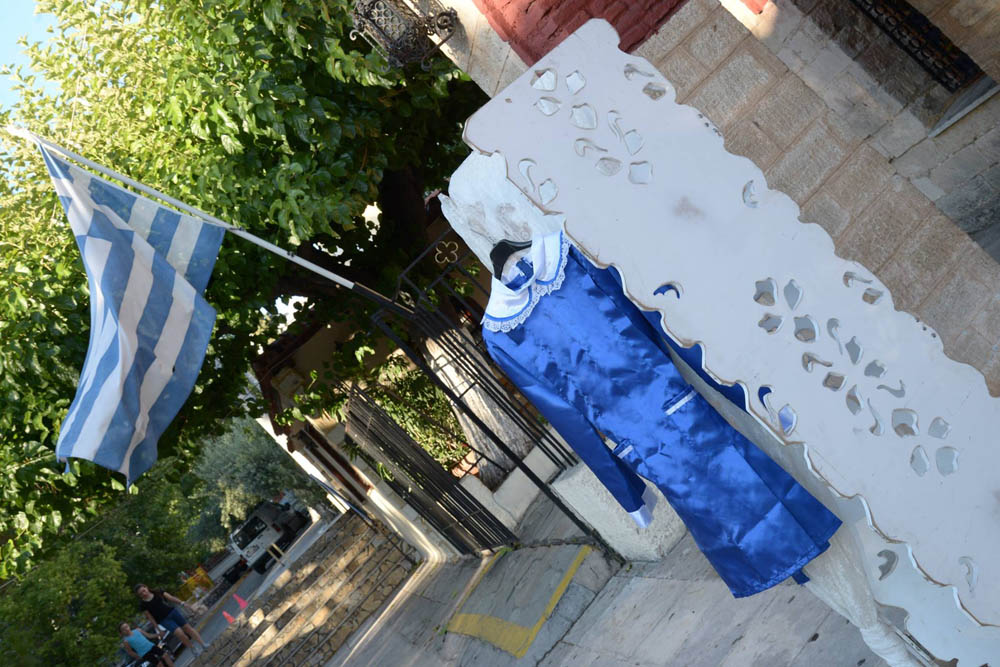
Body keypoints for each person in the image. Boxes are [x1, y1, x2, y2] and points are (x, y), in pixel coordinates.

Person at [133, 583, 207, 658]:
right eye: (141, 594)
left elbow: (170, 598)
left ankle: (203, 644)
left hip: (172, 612)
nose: (144, 593)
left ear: (146, 587)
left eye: (143, 590)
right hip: (164, 620)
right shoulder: (142, 605)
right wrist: (158, 629)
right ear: (139, 596)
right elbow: (150, 617)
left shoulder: (157, 592)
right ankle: (192, 648)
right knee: (180, 633)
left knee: (188, 628)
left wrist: (182, 603)